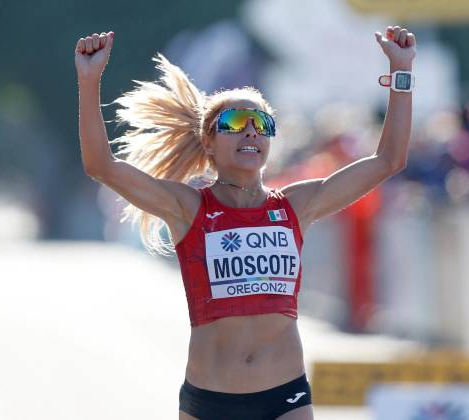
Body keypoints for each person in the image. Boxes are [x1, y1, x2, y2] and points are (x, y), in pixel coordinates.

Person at [74, 25, 416, 420]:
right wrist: (89, 81)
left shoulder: (296, 206)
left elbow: (388, 160)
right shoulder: (188, 208)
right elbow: (101, 166)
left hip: (285, 395)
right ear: (209, 142)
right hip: (211, 400)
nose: (251, 131)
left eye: (262, 123)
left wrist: (401, 72)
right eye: (236, 122)